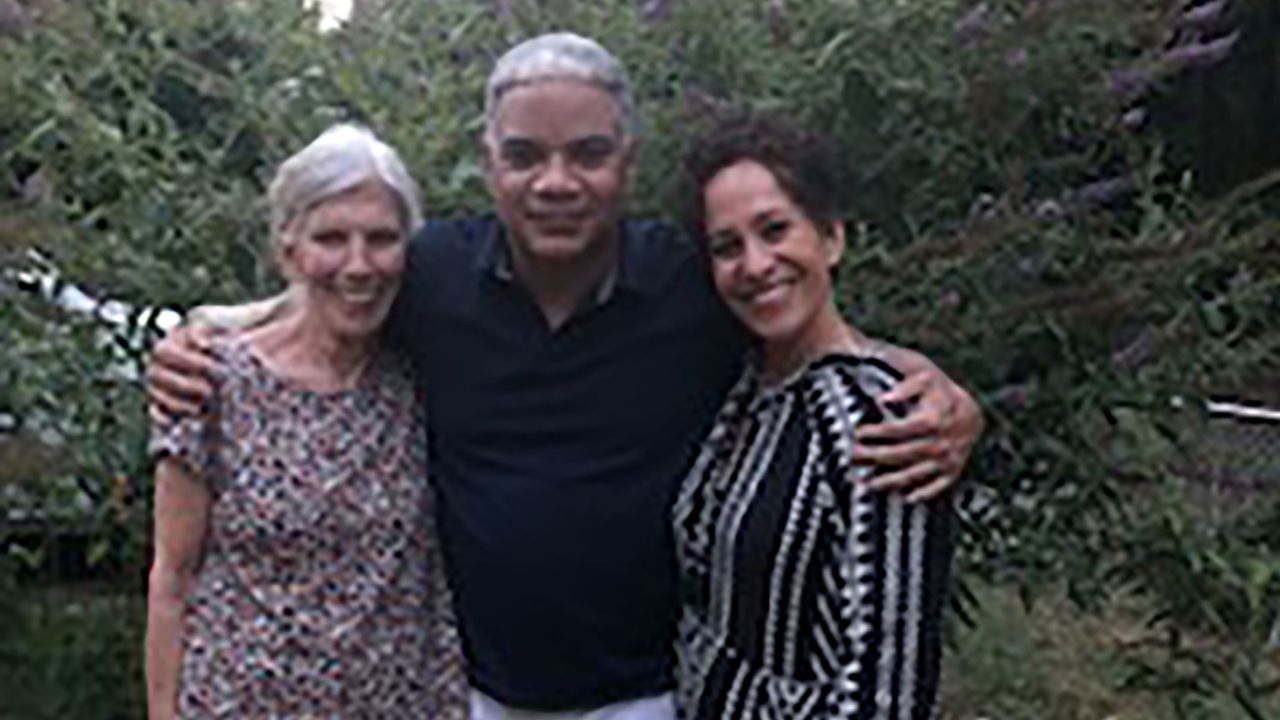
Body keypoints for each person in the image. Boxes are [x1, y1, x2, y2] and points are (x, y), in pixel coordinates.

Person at [146, 34, 983, 720]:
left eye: (586, 153)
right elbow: (325, 298)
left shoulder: (692, 286)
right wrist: (199, 333)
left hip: (653, 698)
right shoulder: (431, 276)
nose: (555, 182)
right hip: (470, 696)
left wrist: (935, 388)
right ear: (488, 161)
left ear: (626, 159)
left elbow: (805, 330)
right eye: (525, 155)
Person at [144, 124, 466, 720]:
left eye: (381, 239)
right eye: (331, 238)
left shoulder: (425, 372)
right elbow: (173, 577)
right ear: (287, 249)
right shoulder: (211, 380)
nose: (359, 264)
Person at [672, 116, 957, 720]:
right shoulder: (748, 388)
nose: (754, 263)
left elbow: (888, 695)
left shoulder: (880, 420)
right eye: (727, 247)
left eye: (775, 229)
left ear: (831, 238)